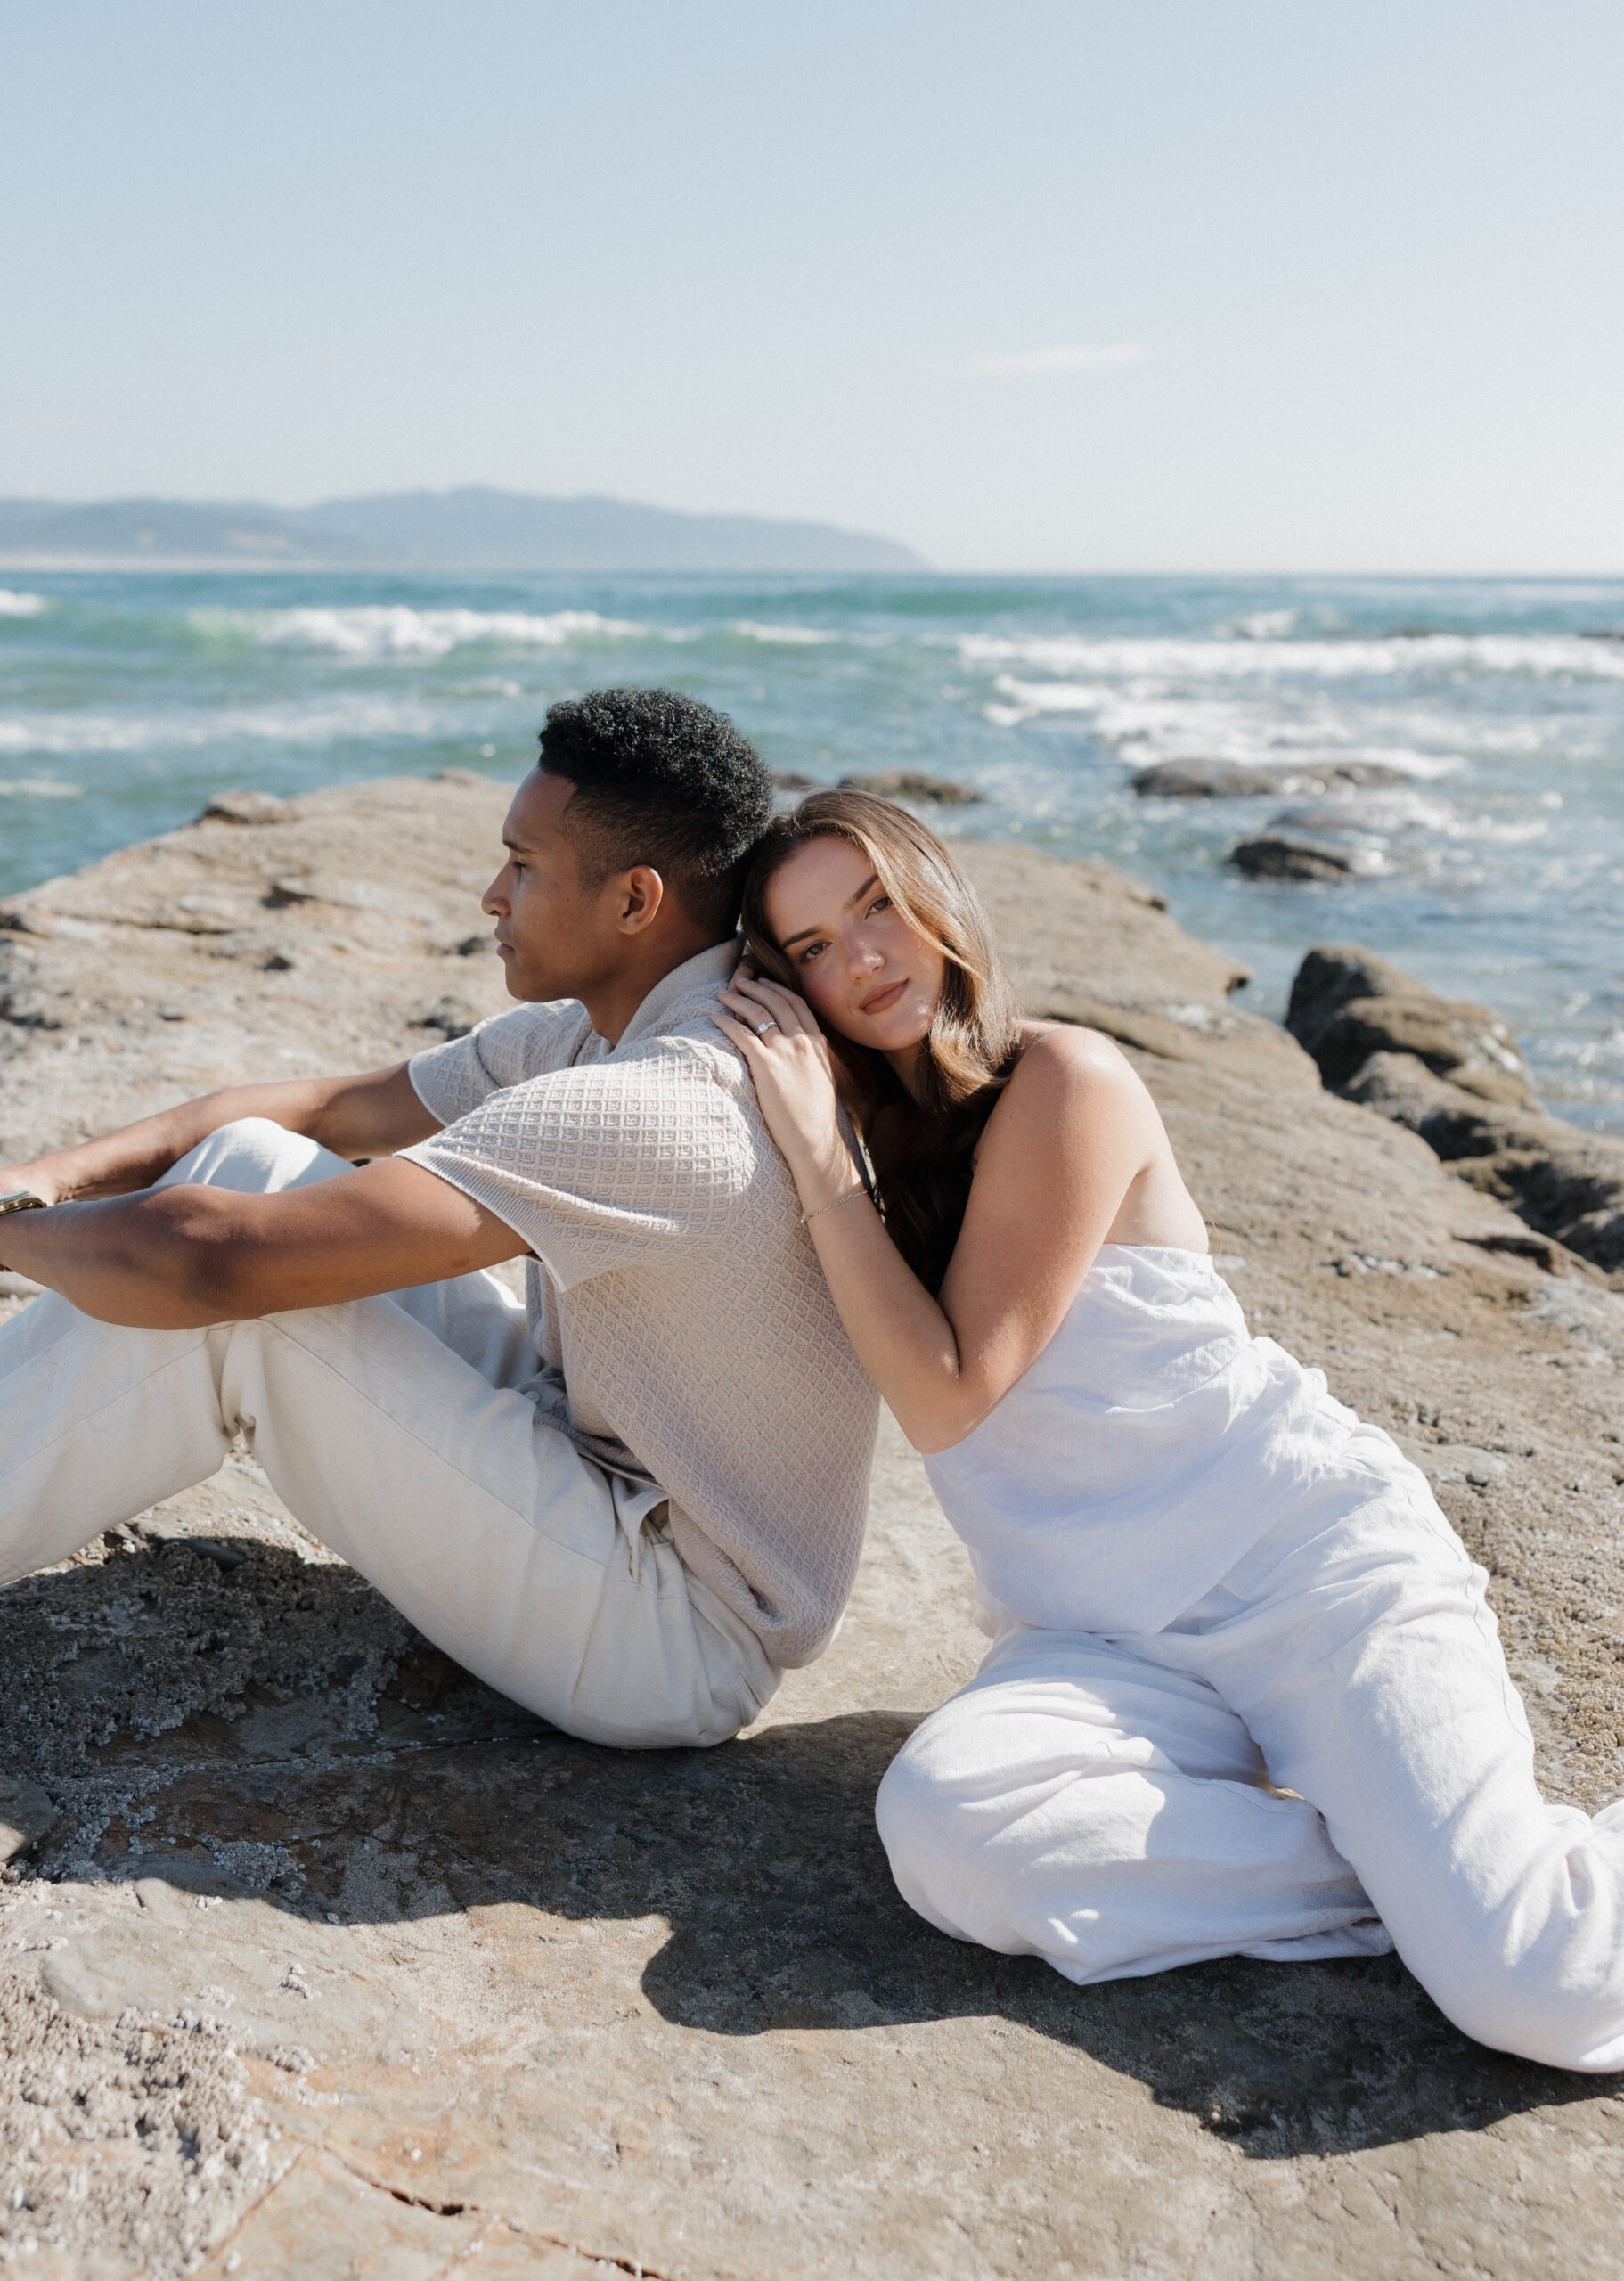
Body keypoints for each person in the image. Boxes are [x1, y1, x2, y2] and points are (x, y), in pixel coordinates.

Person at [711, 786, 1624, 2073]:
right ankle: (1397, 1878)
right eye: (808, 947)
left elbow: (946, 1393)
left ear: (938, 898)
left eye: (875, 906)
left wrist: (814, 1160)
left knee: (1530, 1983)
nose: (859, 959)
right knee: (947, 1830)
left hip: (1303, 1572)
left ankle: (1462, 1900)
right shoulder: (873, 1149)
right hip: (1097, 1639)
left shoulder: (1061, 1078)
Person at [0, 691, 877, 1751]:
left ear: (636, 901)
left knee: (248, 1310)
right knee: (255, 1165)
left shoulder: (664, 1099)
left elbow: (209, 1265)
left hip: (673, 1628)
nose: (490, 895)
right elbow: (322, 1112)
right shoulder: (597, 1032)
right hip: (592, 1452)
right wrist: (36, 1184)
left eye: (523, 865)